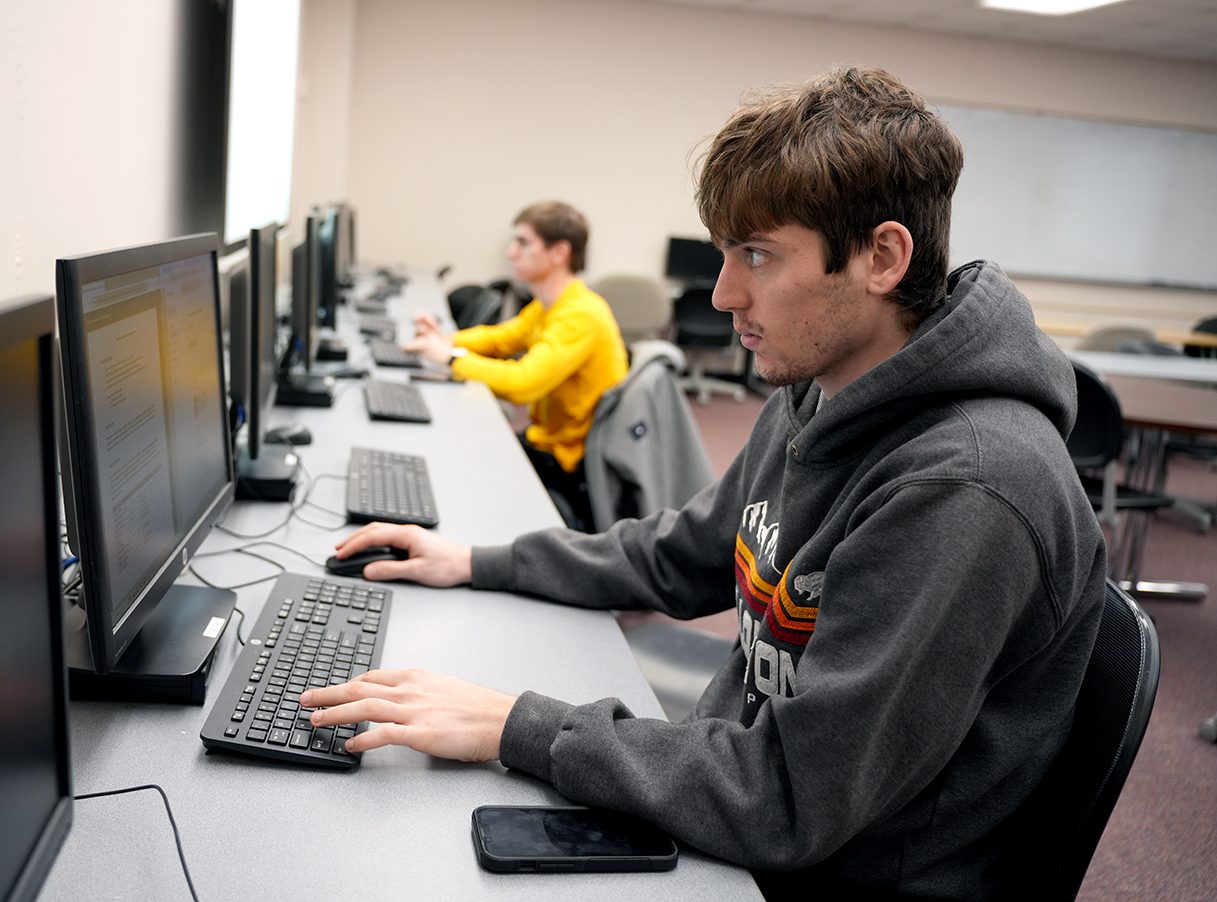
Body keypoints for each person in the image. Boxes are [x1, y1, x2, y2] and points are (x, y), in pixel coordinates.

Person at [303, 67, 1107, 897]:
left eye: (757, 255)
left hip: (813, 870)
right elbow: (681, 555)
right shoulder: (818, 392)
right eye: (726, 252)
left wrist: (517, 725)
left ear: (882, 257)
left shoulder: (968, 488)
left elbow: (791, 796)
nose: (723, 294)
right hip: (735, 807)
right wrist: (476, 561)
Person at [406, 201, 627, 531]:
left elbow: (523, 384)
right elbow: (500, 339)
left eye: (523, 243)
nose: (511, 253)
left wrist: (451, 358)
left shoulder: (580, 315)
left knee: (454, 458)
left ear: (559, 252)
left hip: (566, 462)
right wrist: (448, 340)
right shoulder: (552, 305)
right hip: (544, 439)